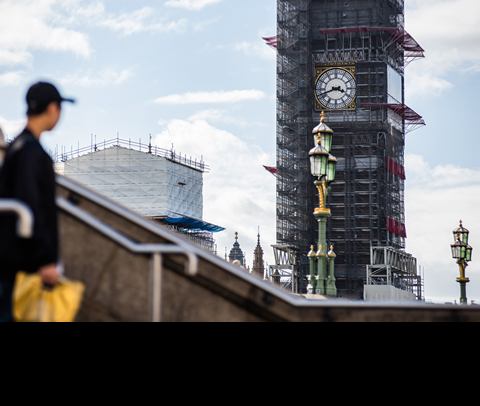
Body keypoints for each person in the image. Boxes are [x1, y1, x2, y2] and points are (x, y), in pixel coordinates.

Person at [0, 82, 75, 322]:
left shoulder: (18, 147)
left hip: (12, 257)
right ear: (52, 108)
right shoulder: (32, 153)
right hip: (22, 263)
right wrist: (45, 259)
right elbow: (30, 206)